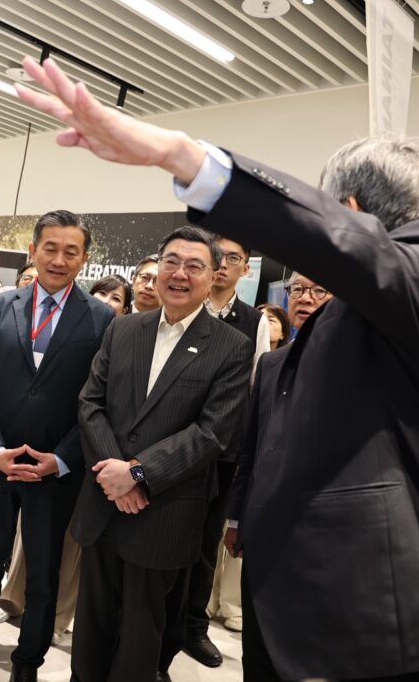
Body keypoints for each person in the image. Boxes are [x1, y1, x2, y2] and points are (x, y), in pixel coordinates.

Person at [16, 56, 419, 681]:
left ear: (346, 210)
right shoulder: (336, 324)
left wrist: (184, 157)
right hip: (288, 595)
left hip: (369, 615)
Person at [71, 226, 251, 682]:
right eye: (171, 261)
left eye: (194, 266)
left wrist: (138, 473)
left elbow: (212, 433)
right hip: (104, 502)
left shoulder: (231, 346)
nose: (179, 274)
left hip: (164, 510)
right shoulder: (124, 328)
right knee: (91, 627)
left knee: (141, 633)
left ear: (214, 277)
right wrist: (115, 476)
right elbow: (90, 402)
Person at [0, 210, 114, 682]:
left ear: (84, 259)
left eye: (71, 251)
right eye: (51, 248)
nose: (59, 259)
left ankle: (28, 661)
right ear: (33, 250)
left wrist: (62, 458)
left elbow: (99, 400)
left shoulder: (102, 319)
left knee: (43, 574)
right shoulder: (1, 306)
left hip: (55, 472)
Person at [159, 235, 270, 674]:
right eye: (217, 257)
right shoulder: (180, 308)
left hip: (222, 451)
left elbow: (256, 390)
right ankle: (161, 630)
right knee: (167, 542)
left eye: (232, 258)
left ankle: (193, 625)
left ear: (245, 268)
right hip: (170, 448)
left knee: (205, 545)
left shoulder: (253, 322)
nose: (223, 265)